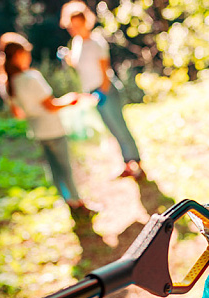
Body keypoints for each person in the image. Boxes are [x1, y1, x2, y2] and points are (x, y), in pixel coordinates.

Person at [0, 32, 90, 216]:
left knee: (55, 170)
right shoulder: (31, 78)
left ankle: (68, 201)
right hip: (53, 129)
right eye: (26, 53)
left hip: (37, 131)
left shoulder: (6, 83)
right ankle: (77, 202)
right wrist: (70, 100)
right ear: (18, 56)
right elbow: (51, 105)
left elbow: (18, 114)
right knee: (66, 168)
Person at [59, 1, 145, 180]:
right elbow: (79, 65)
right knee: (112, 129)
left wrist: (102, 93)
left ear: (85, 22)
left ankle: (138, 164)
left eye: (77, 25)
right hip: (92, 93)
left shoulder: (96, 42)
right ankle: (127, 163)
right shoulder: (76, 43)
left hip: (105, 91)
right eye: (71, 26)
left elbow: (104, 71)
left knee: (120, 127)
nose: (74, 29)